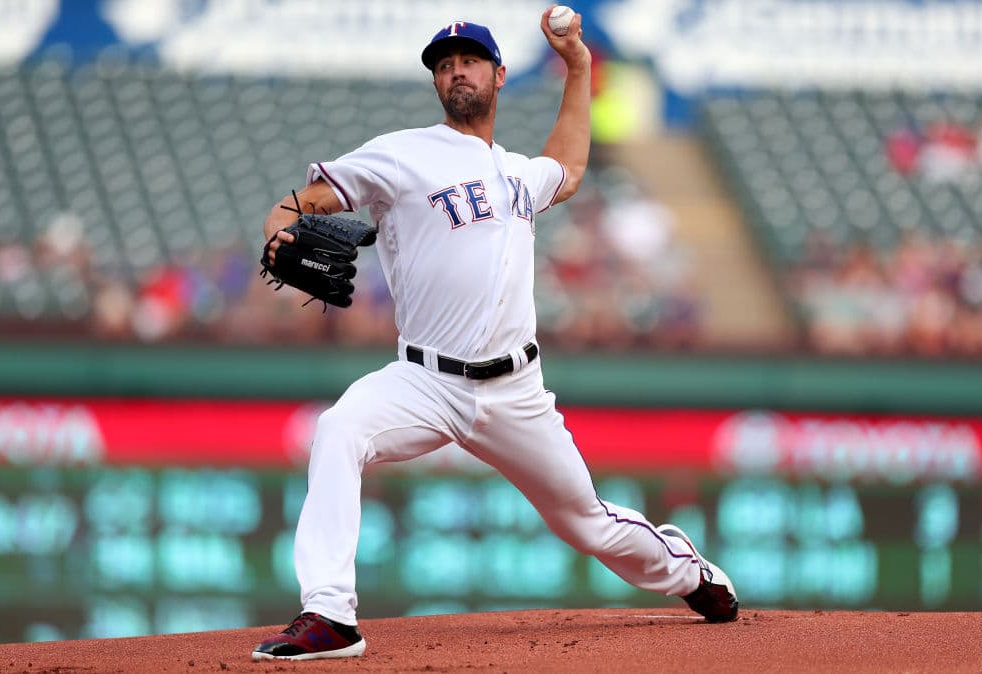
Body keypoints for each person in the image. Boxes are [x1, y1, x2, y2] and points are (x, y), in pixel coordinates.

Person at [252, 8, 738, 661]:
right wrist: (279, 229)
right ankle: (330, 614)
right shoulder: (403, 153)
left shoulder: (517, 173)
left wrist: (578, 66)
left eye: (470, 60)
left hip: (515, 392)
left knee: (587, 523)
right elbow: (300, 202)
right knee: (339, 430)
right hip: (423, 380)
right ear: (437, 83)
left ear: (499, 76)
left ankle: (685, 568)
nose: (456, 70)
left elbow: (565, 168)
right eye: (445, 64)